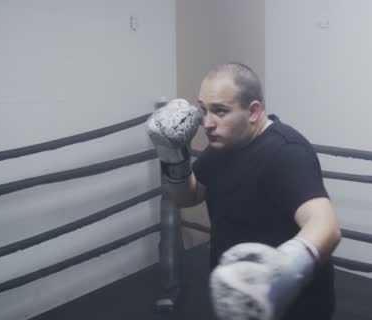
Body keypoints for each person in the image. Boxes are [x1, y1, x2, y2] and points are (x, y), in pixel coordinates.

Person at [146, 63, 341, 320]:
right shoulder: (223, 147)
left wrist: (282, 267)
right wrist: (173, 156)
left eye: (220, 111)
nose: (207, 123)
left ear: (253, 111)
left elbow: (326, 224)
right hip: (237, 298)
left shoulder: (286, 151)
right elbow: (187, 197)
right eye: (203, 110)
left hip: (292, 305)